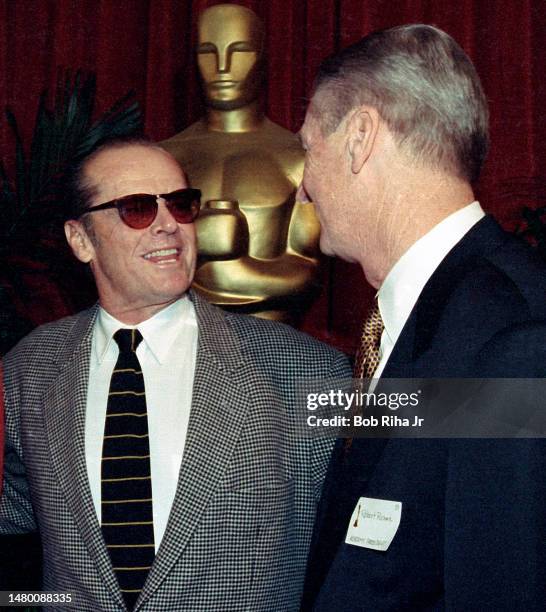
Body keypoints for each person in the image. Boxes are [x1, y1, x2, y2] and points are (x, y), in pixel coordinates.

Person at [0, 138, 350, 611]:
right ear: (81, 240)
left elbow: (433, 442)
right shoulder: (31, 368)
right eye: (137, 208)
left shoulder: (299, 367)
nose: (168, 225)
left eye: (181, 205)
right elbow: (18, 505)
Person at [298, 24, 546, 611]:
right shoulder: (419, 315)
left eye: (307, 150)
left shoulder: (511, 337)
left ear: (360, 137)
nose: (303, 188)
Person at [161, 4, 320, 323]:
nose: (222, 67)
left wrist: (228, 270)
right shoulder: (164, 158)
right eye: (208, 52)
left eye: (240, 51)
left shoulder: (299, 158)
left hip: (271, 347)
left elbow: (306, 272)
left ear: (262, 58)